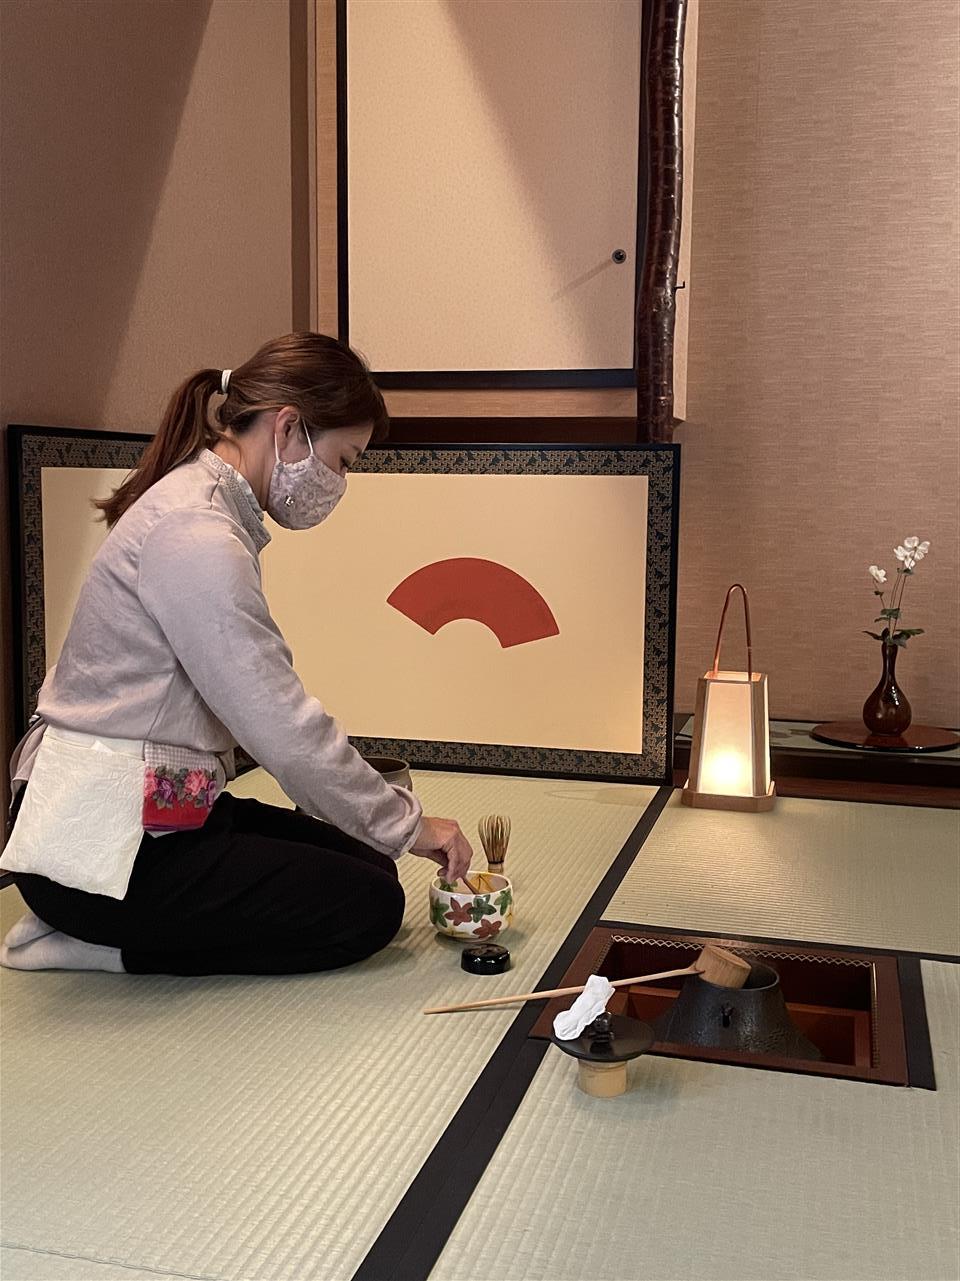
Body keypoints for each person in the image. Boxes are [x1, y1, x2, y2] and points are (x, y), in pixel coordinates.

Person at [0, 332, 473, 975]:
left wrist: (387, 829)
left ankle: (116, 926)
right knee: (370, 907)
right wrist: (412, 826)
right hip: (93, 852)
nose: (339, 483)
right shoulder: (196, 534)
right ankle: (104, 944)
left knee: (369, 862)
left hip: (159, 807)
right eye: (344, 461)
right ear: (289, 429)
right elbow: (283, 729)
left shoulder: (206, 506)